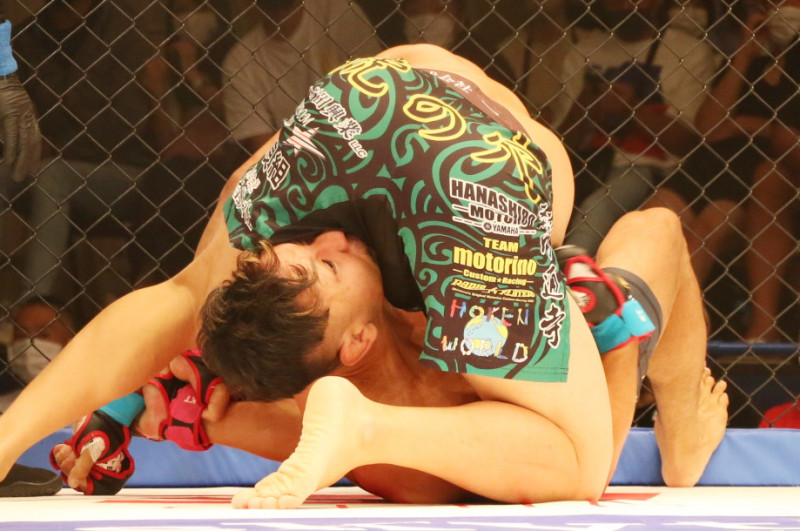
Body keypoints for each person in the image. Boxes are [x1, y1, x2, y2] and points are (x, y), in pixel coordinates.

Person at [3, 46, 724, 506]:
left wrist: (138, 401)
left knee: (196, 294)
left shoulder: (270, 243)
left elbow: (177, 302)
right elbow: (583, 459)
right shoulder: (464, 258)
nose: (332, 239)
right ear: (354, 343)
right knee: (579, 453)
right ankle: (367, 425)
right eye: (327, 264)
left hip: (363, 134)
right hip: (396, 122)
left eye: (303, 251)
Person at [649, 0, 800, 340]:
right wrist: (745, 52)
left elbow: (785, 134)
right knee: (655, 216)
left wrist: (749, 124)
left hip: (755, 169)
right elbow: (709, 126)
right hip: (712, 163)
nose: (778, 9)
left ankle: (675, 333)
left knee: (705, 229)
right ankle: (636, 323)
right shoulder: (750, 62)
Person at [11, 0, 169, 296]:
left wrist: (55, 145)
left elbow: (127, 123)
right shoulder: (26, 38)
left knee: (52, 175)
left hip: (126, 168)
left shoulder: (123, 28)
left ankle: (37, 305)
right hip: (47, 163)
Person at [560, 0, 719, 255]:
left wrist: (631, 109)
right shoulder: (583, 52)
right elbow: (562, 143)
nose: (625, 4)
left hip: (652, 167)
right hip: (587, 163)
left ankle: (572, 271)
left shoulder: (689, 51)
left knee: (597, 208)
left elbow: (690, 143)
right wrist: (585, 105)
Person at [221, 0, 381, 154]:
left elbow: (379, 89)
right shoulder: (239, 62)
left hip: (366, 137)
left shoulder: (338, 12)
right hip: (303, 163)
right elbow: (268, 154)